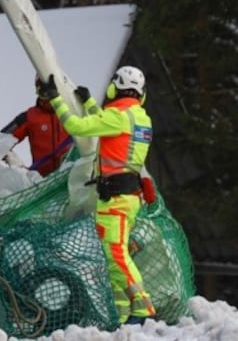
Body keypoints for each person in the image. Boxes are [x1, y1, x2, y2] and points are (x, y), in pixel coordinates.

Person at [39, 66, 156, 325]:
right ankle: (124, 312)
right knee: (114, 254)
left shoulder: (117, 115)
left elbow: (77, 127)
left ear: (115, 88)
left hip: (116, 197)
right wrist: (90, 103)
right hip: (127, 195)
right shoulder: (140, 117)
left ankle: (143, 309)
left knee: (115, 253)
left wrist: (56, 99)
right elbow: (110, 126)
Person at [0, 75, 72, 177]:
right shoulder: (29, 117)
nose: (48, 95)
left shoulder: (73, 111)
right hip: (42, 183)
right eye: (43, 90)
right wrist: (17, 165)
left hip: (71, 175)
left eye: (50, 90)